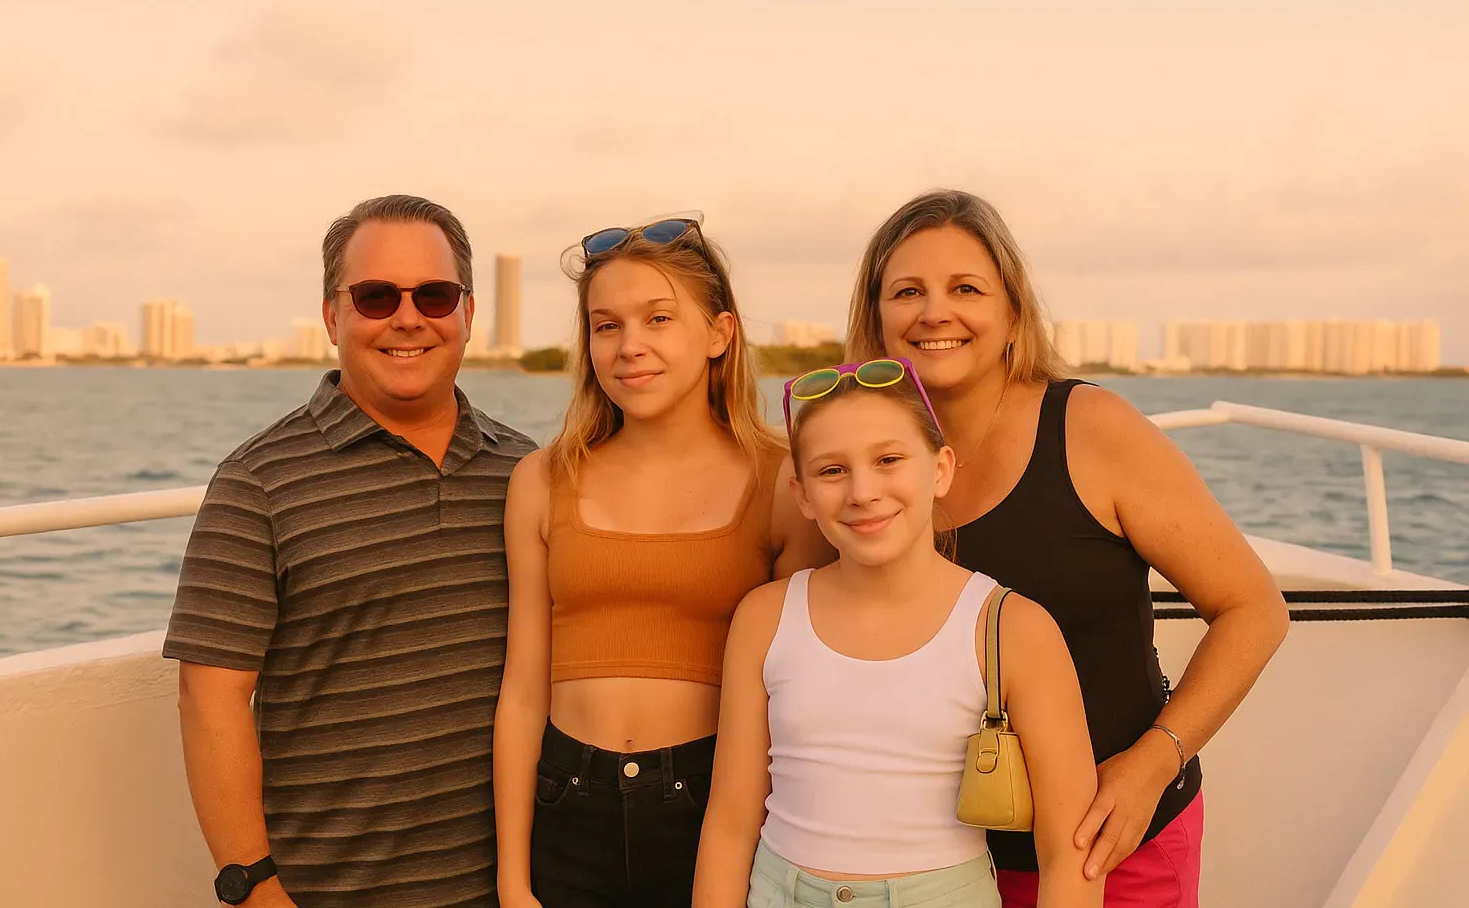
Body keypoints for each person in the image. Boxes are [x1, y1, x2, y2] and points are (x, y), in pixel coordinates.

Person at [843, 190, 1291, 907]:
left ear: (1013, 312)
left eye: (966, 289)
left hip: (1108, 848)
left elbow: (1253, 608)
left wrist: (1151, 766)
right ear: (877, 318)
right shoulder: (857, 463)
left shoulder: (1091, 429)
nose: (935, 313)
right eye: (907, 291)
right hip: (932, 868)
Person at [163, 195, 537, 908]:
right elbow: (210, 700)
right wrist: (255, 889)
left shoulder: (526, 471)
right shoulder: (258, 482)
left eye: (434, 295)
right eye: (374, 297)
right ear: (334, 317)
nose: (407, 318)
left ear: (467, 314)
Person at [493, 213, 835, 908]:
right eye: (606, 325)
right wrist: (512, 879)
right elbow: (523, 689)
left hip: (715, 810)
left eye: (657, 319)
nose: (629, 347)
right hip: (566, 805)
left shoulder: (781, 483)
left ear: (719, 334)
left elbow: (796, 696)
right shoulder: (542, 479)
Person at [693, 357, 1102, 908]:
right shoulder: (765, 617)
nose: (862, 492)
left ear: (940, 469)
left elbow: (1069, 853)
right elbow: (730, 822)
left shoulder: (1011, 628)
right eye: (831, 471)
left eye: (888, 459)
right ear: (802, 495)